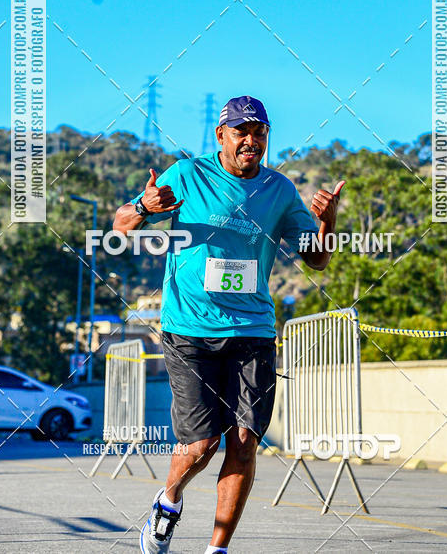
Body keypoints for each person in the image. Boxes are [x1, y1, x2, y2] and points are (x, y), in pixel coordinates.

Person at [113, 95, 345, 554]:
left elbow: (316, 259)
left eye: (259, 132)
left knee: (243, 442)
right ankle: (168, 500)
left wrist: (327, 223)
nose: (251, 141)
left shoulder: (279, 190)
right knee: (201, 445)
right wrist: (144, 205)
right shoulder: (187, 175)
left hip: (252, 331)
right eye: (241, 131)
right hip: (190, 329)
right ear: (221, 135)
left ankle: (217, 549)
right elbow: (120, 229)